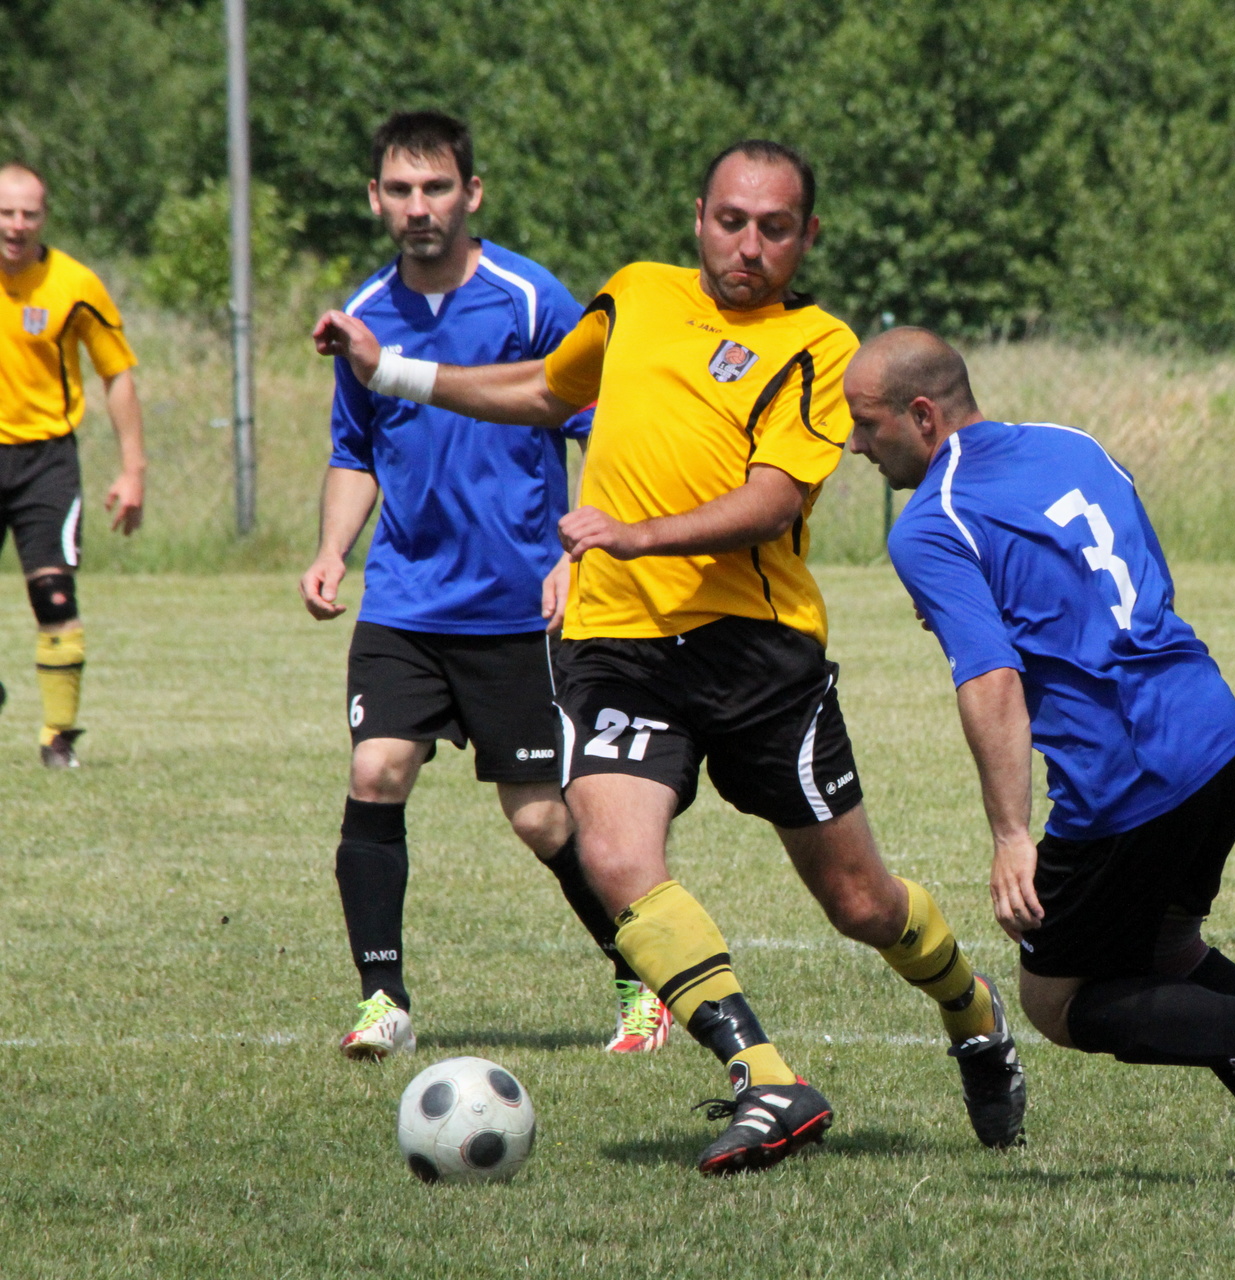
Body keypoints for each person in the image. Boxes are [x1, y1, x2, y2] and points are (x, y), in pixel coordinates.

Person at [312, 139, 1026, 1176]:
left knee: (861, 901)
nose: (749, 245)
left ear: (808, 236)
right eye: (731, 220)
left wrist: (635, 532)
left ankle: (973, 1009)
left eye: (774, 228)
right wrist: (396, 371)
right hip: (618, 643)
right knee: (612, 855)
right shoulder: (634, 296)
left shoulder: (822, 344)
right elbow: (543, 392)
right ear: (698, 215)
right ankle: (765, 1075)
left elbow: (775, 498)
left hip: (758, 648)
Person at [845, 327, 1235, 1183]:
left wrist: (1012, 834)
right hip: (1213, 732)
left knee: (1058, 1001)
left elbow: (991, 680)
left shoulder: (931, 521)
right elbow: (1123, 572)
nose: (855, 444)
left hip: (1126, 778)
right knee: (1166, 951)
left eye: (866, 424)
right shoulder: (1071, 444)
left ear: (923, 414)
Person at [299, 112, 668, 1062]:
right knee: (376, 769)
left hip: (517, 608)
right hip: (406, 602)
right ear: (375, 198)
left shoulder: (529, 297)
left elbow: (602, 428)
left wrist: (574, 550)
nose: (417, 207)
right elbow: (356, 451)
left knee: (543, 817)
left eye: (435, 188)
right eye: (399, 190)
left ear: (471, 193)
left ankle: (644, 981)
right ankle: (384, 1000)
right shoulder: (364, 311)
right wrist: (336, 547)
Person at [0, 160, 146, 768]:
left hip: (46, 462)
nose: (16, 225)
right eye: (6, 212)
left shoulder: (75, 284)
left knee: (54, 595)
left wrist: (132, 469)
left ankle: (57, 738)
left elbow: (116, 373)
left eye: (29, 212)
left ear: (45, 216)